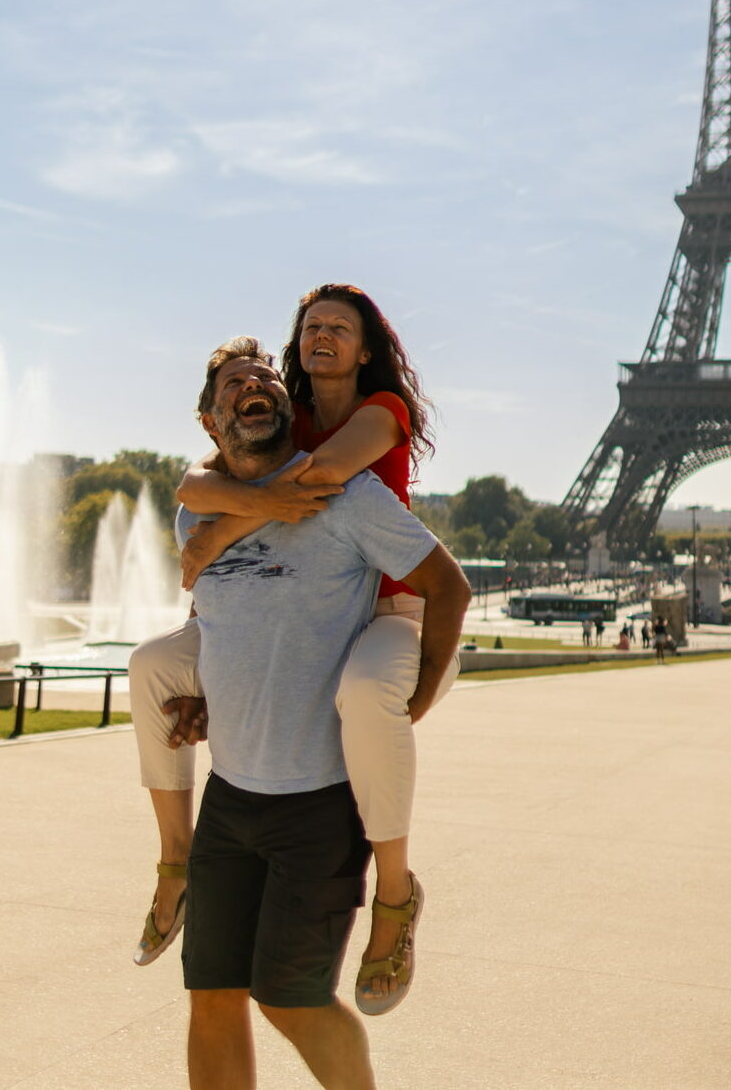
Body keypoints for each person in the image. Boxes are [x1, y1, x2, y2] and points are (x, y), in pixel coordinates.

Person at [127, 285, 452, 1014]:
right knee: (150, 668)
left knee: (367, 696)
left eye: (341, 327)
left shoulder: (380, 413)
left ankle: (395, 898)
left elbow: (318, 480)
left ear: (366, 349)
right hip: (310, 605)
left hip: (392, 607)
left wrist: (217, 529)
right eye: (311, 326)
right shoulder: (286, 415)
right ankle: (173, 858)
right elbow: (198, 478)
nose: (323, 336)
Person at [176, 338, 469, 1089]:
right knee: (210, 999)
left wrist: (421, 694)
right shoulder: (195, 525)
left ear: (287, 404)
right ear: (212, 423)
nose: (254, 385)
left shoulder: (349, 498)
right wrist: (205, 695)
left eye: (266, 377)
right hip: (228, 799)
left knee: (291, 999)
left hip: (317, 805)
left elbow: (448, 586)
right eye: (235, 383)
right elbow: (227, 629)